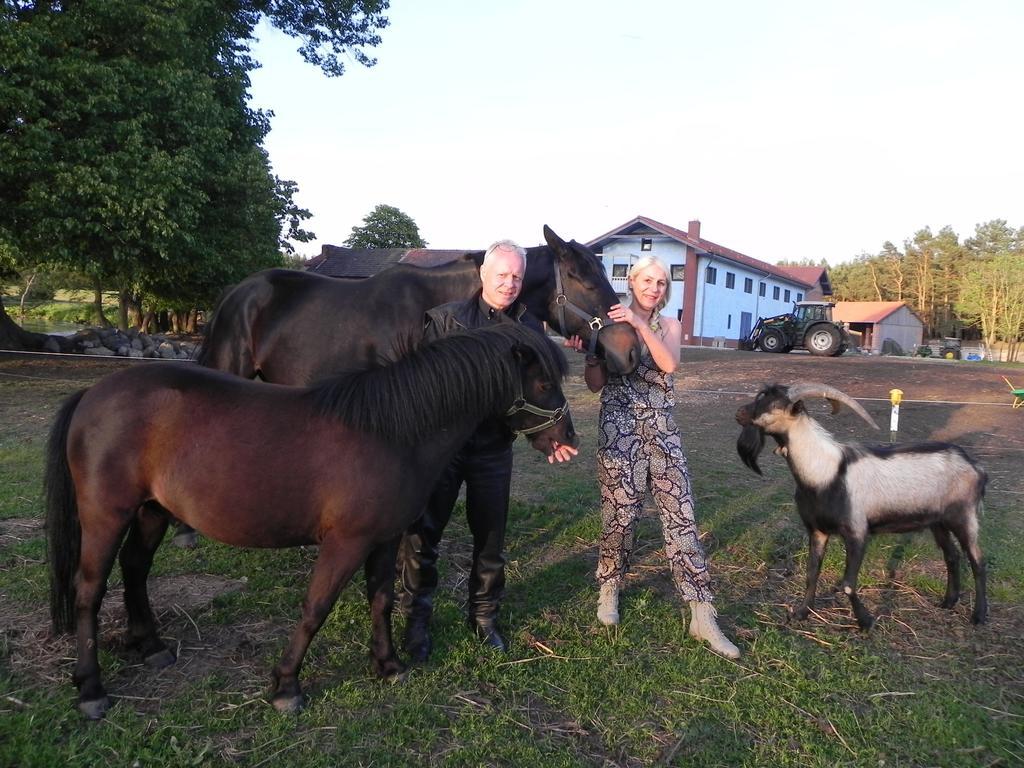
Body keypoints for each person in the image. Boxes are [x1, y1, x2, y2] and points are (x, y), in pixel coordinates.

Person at [398, 239, 577, 662]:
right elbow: (417, 388)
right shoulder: (444, 322)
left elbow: (534, 394)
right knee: (422, 535)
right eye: (502, 275)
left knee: (490, 539)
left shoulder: (531, 329)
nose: (510, 283)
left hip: (494, 449)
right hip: (443, 449)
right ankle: (415, 618)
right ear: (482, 275)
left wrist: (545, 438)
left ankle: (483, 617)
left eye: (516, 276)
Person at [566, 255, 740, 659]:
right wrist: (592, 353)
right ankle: (609, 589)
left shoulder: (670, 325)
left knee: (682, 518)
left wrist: (640, 323)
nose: (654, 288)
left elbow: (669, 363)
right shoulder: (607, 323)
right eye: (648, 280)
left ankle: (702, 612)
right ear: (632, 280)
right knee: (620, 518)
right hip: (619, 432)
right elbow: (594, 386)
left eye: (661, 283)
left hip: (662, 434)